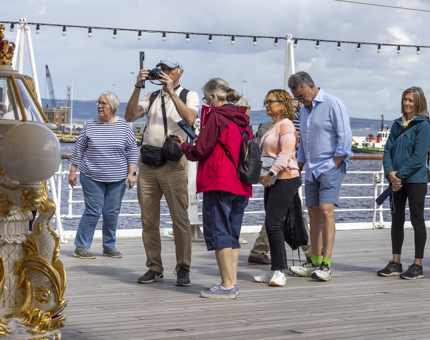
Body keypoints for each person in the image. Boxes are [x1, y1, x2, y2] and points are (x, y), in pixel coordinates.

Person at [125, 55, 199, 287]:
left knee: (180, 218)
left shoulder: (189, 95)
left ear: (180, 72)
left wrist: (172, 92)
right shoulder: (152, 96)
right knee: (148, 220)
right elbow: (129, 116)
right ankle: (154, 267)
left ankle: (183, 267)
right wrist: (138, 86)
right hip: (148, 163)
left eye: (169, 69)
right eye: (161, 69)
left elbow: (190, 118)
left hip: (174, 163)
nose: (164, 72)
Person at [179, 78, 252, 299]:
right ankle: (232, 281)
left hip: (219, 180)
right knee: (232, 233)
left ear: (211, 97)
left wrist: (181, 144)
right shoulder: (242, 118)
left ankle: (227, 286)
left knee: (219, 231)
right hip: (241, 182)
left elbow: (200, 150)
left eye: (205, 98)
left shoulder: (216, 116)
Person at [288, 71, 353, 281]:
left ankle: (326, 263)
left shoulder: (334, 104)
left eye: (301, 96)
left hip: (329, 166)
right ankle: (314, 261)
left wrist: (334, 164)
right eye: (296, 97)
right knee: (313, 212)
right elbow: (304, 144)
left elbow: (345, 137)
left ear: (311, 86)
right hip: (311, 169)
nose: (299, 101)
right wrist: (298, 168)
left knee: (326, 211)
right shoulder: (304, 110)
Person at [69, 91, 138, 259]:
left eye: (103, 103)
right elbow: (78, 149)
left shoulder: (124, 126)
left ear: (112, 107)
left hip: (118, 178)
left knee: (111, 212)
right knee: (93, 210)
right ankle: (81, 246)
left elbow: (132, 151)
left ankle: (109, 246)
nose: (100, 106)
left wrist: (132, 173)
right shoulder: (89, 125)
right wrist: (72, 171)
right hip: (91, 176)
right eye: (98, 103)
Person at [248, 99, 313, 266]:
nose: (266, 105)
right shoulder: (292, 121)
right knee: (286, 216)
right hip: (283, 173)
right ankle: (309, 254)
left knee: (276, 217)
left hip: (284, 173)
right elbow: (290, 150)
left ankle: (261, 252)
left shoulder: (289, 121)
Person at [377, 87, 430, 280]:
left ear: (419, 103)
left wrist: (398, 176)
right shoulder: (397, 124)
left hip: (415, 180)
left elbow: (418, 157)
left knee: (417, 221)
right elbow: (387, 151)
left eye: (411, 101)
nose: (407, 103)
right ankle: (395, 263)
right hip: (396, 180)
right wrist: (390, 173)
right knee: (396, 221)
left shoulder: (423, 125)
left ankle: (417, 266)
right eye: (405, 100)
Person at [252, 89, 300, 287]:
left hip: (284, 178)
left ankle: (280, 271)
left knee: (274, 224)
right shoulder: (275, 126)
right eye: (266, 102)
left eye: (271, 101)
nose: (267, 105)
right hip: (272, 179)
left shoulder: (286, 125)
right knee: (273, 225)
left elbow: (286, 153)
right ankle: (274, 269)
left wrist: (272, 173)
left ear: (283, 104)